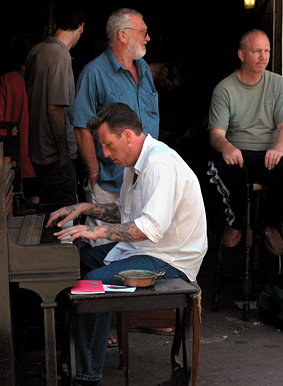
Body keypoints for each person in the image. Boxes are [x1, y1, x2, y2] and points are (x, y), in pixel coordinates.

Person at [47, 102, 207, 385]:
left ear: (128, 137)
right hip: (144, 250)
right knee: (75, 265)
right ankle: (69, 360)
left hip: (171, 260)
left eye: (108, 145)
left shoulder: (159, 164)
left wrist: (98, 233)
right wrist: (84, 208)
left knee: (93, 285)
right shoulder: (134, 164)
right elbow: (125, 211)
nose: (105, 154)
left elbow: (148, 227)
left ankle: (85, 377)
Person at [69, 8, 159, 247]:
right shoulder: (94, 73)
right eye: (143, 32)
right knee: (104, 250)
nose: (147, 38)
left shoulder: (143, 70)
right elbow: (81, 126)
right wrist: (94, 172)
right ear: (123, 35)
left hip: (144, 180)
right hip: (110, 182)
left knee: (138, 249)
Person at [207, 29, 283, 253]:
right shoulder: (225, 88)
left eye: (267, 51)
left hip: (268, 156)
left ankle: (268, 226)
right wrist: (227, 146)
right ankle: (235, 224)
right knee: (220, 167)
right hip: (239, 154)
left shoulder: (277, 84)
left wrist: (279, 149)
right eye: (257, 51)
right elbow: (216, 135)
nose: (263, 56)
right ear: (242, 55)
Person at [25, 2, 85, 205]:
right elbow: (55, 109)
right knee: (64, 215)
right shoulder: (60, 57)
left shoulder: (37, 51)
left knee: (49, 211)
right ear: (81, 27)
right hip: (53, 156)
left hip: (38, 151)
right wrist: (64, 154)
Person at [0, 34, 40, 203]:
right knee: (36, 202)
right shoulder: (42, 81)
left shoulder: (6, 81)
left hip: (12, 160)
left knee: (13, 204)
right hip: (39, 159)